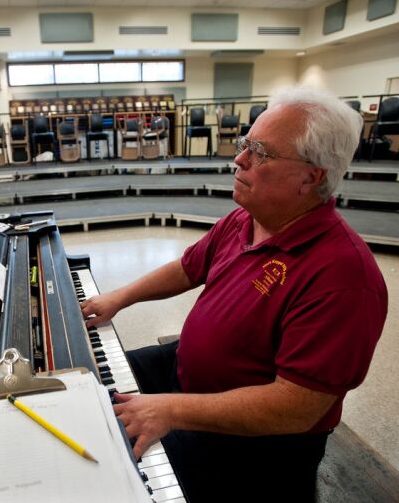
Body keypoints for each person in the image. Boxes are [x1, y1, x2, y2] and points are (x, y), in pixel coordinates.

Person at [80, 86, 388, 503]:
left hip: (251, 446)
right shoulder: (248, 217)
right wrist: (119, 297)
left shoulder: (344, 277)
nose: (239, 159)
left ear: (312, 176)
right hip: (185, 372)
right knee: (84, 384)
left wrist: (167, 409)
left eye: (260, 152)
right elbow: (189, 267)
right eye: (246, 144)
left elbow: (297, 407)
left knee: (110, 472)